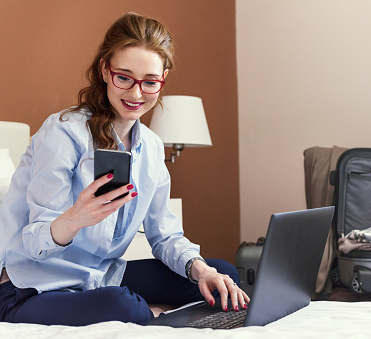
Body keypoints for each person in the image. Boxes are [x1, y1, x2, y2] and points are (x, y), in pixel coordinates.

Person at [0, 12, 248, 326]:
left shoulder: (152, 148)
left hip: (101, 275)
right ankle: (150, 313)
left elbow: (165, 237)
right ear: (105, 69)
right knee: (124, 307)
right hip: (30, 287)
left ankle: (152, 309)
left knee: (223, 274)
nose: (135, 93)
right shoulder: (63, 133)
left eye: (149, 82)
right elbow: (34, 244)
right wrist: (76, 217)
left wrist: (202, 271)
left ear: (163, 79)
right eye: (124, 77)